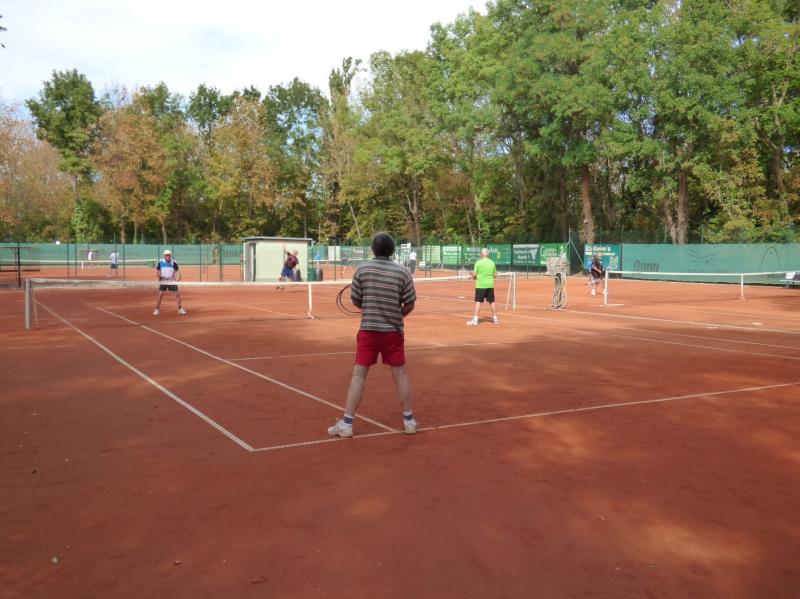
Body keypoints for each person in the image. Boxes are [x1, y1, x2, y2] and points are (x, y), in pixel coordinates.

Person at [328, 232, 418, 438]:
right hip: (393, 332)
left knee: (359, 375)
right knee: (400, 374)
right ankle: (409, 422)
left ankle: (347, 424)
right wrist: (397, 315)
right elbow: (410, 303)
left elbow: (356, 300)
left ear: (373, 249)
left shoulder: (362, 270)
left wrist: (370, 308)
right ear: (392, 250)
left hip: (369, 331)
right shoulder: (403, 272)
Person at [466, 248, 499, 326]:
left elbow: (474, 275)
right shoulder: (492, 263)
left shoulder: (478, 262)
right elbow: (495, 275)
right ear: (488, 254)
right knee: (492, 302)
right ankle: (495, 319)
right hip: (490, 285)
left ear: (481, 254)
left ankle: (475, 320)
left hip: (480, 285)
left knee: (478, 302)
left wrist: (472, 275)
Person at [153, 250, 186, 316]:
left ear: (170, 255)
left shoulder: (174, 263)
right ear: (164, 256)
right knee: (160, 295)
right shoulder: (160, 263)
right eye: (166, 255)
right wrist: (162, 277)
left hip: (172, 282)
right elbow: (158, 273)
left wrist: (175, 278)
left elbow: (176, 272)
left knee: (177, 295)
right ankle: (157, 309)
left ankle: (180, 309)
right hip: (163, 282)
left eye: (169, 255)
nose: (168, 256)